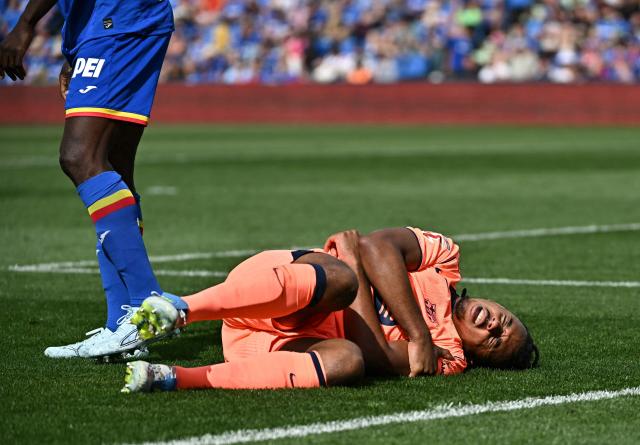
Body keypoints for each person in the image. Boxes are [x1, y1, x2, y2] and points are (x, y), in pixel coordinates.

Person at [121, 227, 539, 393]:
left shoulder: (450, 359)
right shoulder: (444, 258)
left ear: (477, 355)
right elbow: (379, 244)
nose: (497, 327)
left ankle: (172, 378)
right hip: (270, 288)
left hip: (273, 348)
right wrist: (418, 335)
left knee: (348, 362)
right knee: (340, 280)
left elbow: (372, 352)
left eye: (495, 343)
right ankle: (182, 309)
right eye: (510, 322)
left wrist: (359, 264)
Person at [0, 1, 174, 359]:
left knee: (79, 156)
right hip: (117, 23)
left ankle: (146, 305)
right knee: (113, 164)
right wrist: (80, 44)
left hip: (118, 21)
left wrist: (25, 23)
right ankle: (122, 325)